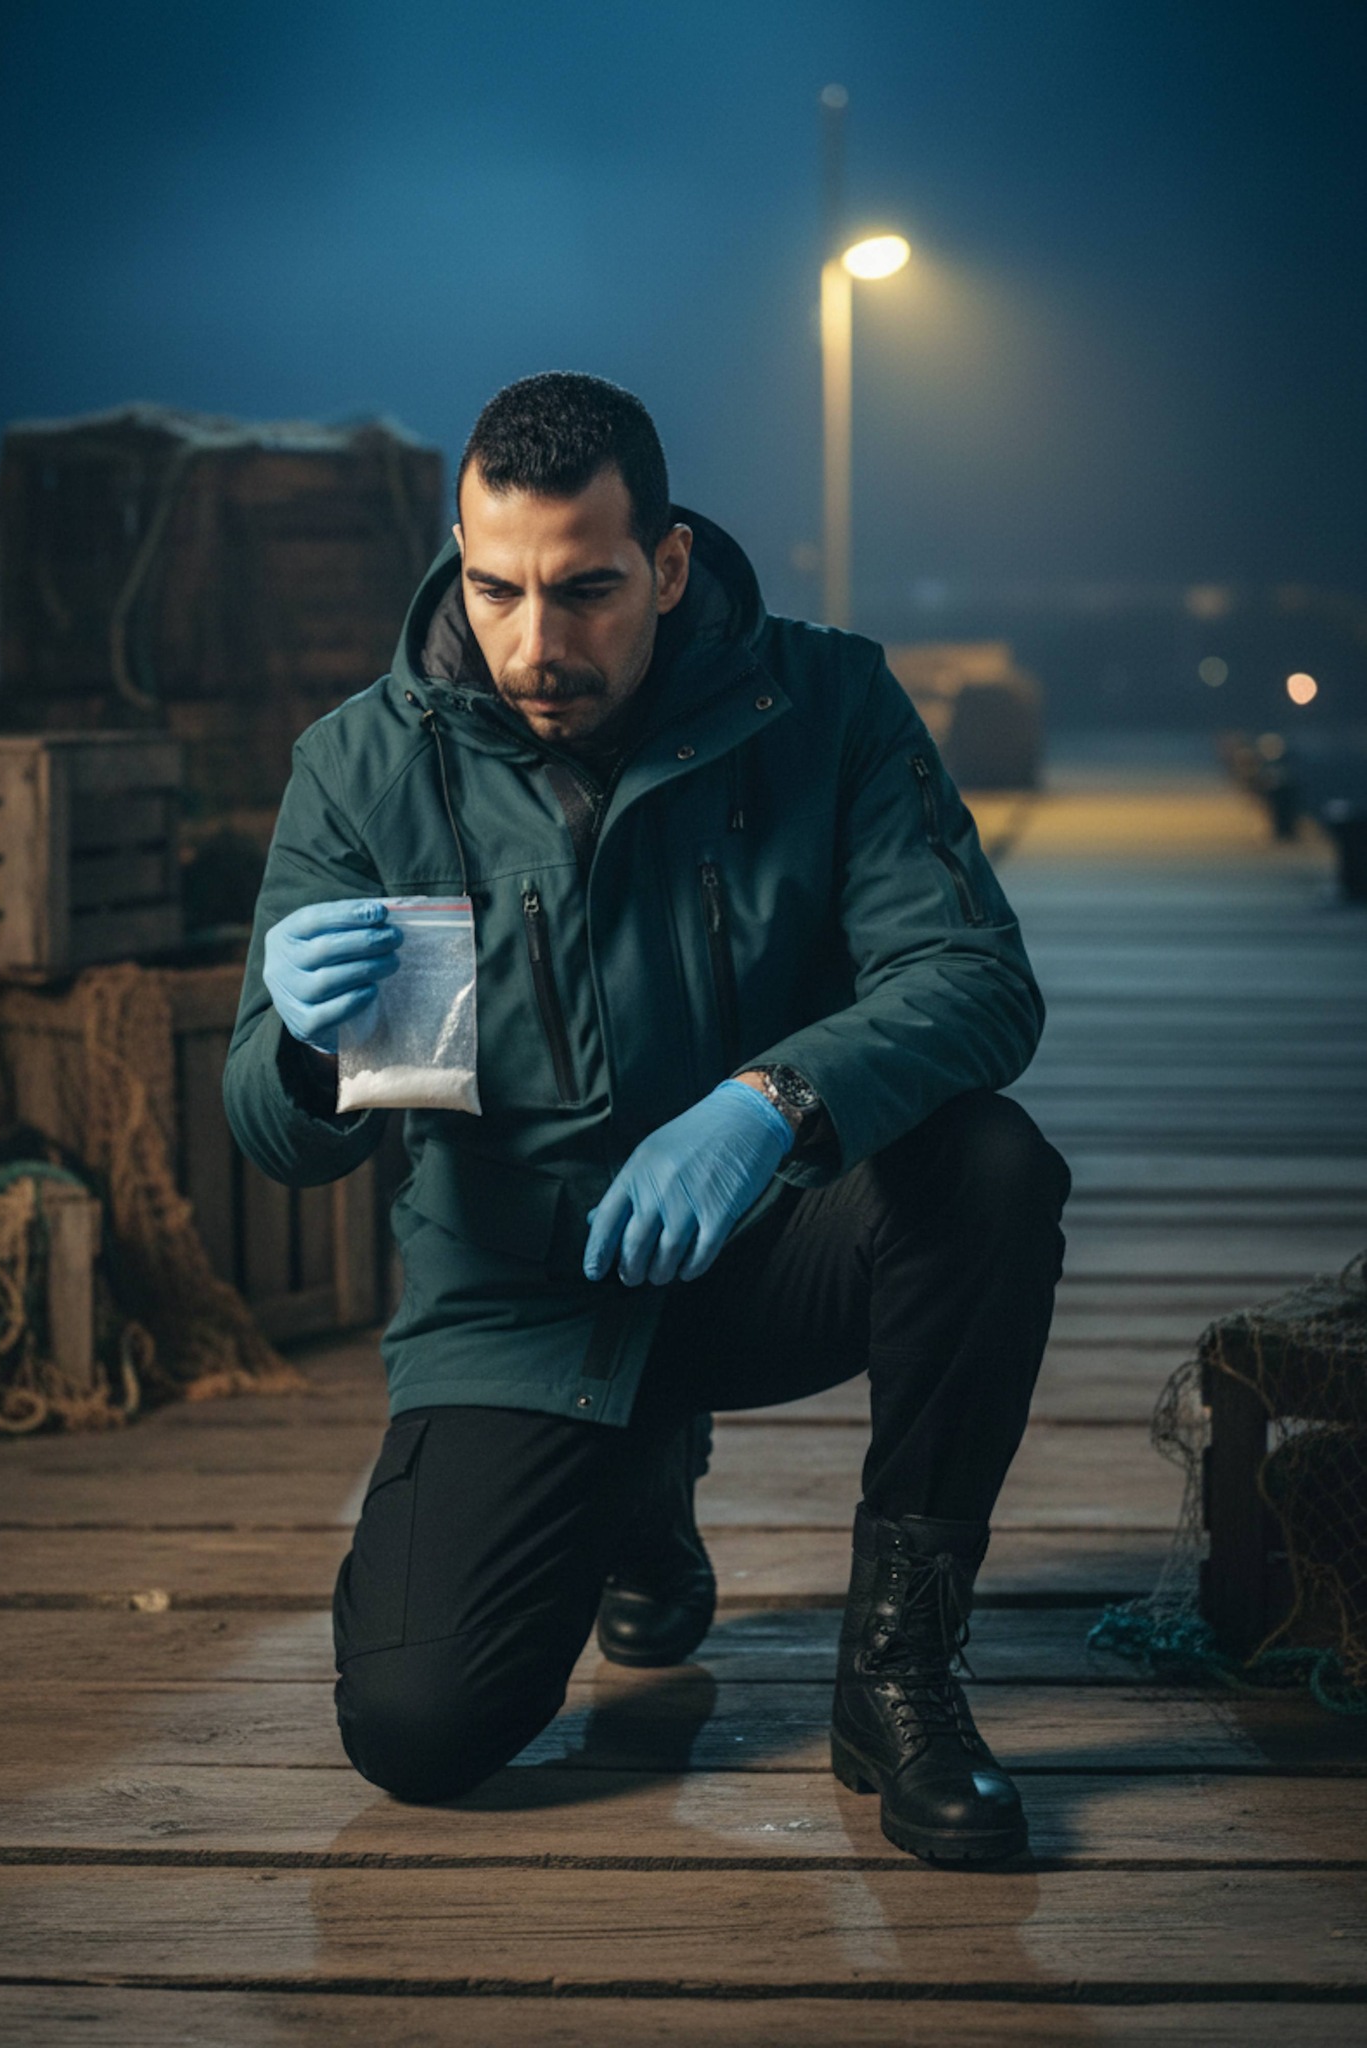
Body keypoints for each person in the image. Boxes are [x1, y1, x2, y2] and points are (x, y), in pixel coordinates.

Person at [223, 371, 1072, 1863]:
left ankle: (901, 1676)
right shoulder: (358, 769)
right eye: (499, 588)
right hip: (522, 1305)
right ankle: (635, 1487)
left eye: (589, 590)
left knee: (991, 1167)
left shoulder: (829, 703)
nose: (536, 644)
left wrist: (770, 1105)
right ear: (462, 555)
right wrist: (300, 1049)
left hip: (763, 1245)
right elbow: (282, 1141)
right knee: (419, 1735)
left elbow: (978, 981)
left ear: (668, 566)